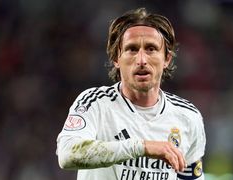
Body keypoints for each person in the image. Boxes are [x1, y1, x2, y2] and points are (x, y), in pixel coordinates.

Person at [56, 7, 206, 180]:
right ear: (116, 58)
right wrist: (141, 147)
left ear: (167, 59)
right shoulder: (95, 103)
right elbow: (67, 154)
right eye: (132, 49)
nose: (141, 60)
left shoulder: (188, 116)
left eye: (151, 49)